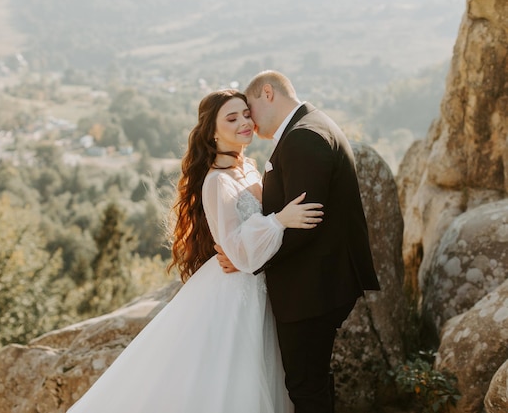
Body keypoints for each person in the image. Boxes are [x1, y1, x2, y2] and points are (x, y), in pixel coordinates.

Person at [65, 89, 324, 413]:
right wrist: (281, 221)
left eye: (246, 114)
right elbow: (238, 250)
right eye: (232, 118)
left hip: (261, 287)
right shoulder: (216, 182)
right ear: (212, 131)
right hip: (235, 292)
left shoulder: (250, 167)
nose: (244, 122)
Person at [216, 70, 381, 413]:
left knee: (304, 386)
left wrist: (249, 259)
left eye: (249, 110)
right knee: (313, 380)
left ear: (267, 93)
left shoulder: (304, 137)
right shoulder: (309, 126)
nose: (249, 121)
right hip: (318, 282)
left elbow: (305, 224)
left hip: (312, 288)